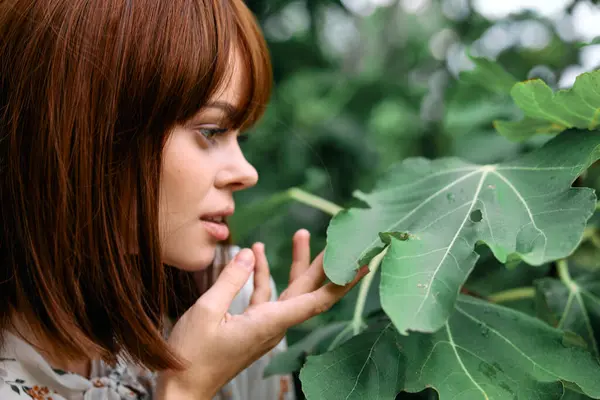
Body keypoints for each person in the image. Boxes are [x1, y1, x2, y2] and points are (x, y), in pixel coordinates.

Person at [0, 1, 369, 399]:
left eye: (239, 136)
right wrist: (187, 389)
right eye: (211, 131)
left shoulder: (228, 308)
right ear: (91, 134)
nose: (246, 172)